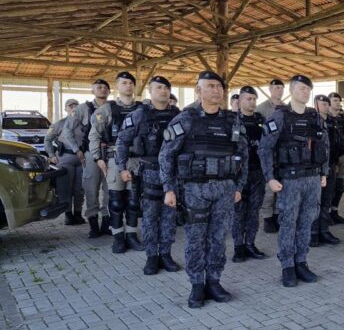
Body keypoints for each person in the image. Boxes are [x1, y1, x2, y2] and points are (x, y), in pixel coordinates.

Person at [160, 70, 248, 308]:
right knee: (196, 239)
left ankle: (214, 281)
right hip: (194, 189)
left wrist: (238, 186)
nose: (216, 90)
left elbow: (243, 155)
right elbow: (166, 155)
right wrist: (169, 188)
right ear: (198, 90)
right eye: (210, 86)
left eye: (219, 87)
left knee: (219, 237)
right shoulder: (185, 119)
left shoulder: (232, 120)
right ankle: (197, 284)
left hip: (225, 189)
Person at [258, 75, 328, 287]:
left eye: (308, 89)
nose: (305, 92)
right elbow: (265, 148)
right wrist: (270, 177)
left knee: (307, 222)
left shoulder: (315, 117)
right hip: (289, 180)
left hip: (312, 178)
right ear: (292, 90)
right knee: (288, 223)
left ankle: (301, 261)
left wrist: (323, 172)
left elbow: (324, 146)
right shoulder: (280, 117)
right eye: (300, 88)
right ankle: (287, 265)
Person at [115, 76, 181, 275]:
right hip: (150, 172)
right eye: (159, 87)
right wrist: (122, 167)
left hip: (173, 173)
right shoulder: (139, 115)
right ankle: (152, 256)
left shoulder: (178, 115)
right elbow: (122, 141)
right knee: (151, 217)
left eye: (166, 88)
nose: (163, 91)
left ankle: (166, 254)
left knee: (170, 217)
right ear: (151, 91)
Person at [88, 71, 143, 253]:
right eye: (124, 83)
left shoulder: (143, 109)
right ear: (117, 86)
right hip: (113, 159)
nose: (128, 86)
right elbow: (94, 135)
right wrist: (97, 157)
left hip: (137, 160)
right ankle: (118, 237)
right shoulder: (106, 110)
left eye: (130, 83)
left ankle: (132, 235)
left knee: (134, 201)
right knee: (116, 201)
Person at [64, 79, 112, 238]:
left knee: (110, 190)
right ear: (93, 91)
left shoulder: (113, 107)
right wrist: (76, 149)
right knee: (91, 189)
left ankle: (106, 224)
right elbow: (68, 130)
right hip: (91, 154)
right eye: (99, 87)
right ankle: (93, 225)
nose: (103, 89)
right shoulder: (83, 108)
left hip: (110, 153)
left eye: (106, 87)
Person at [231, 86, 269, 262]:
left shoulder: (261, 120)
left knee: (254, 211)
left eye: (254, 99)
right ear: (239, 101)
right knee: (238, 212)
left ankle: (250, 245)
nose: (252, 102)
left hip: (257, 172)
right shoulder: (231, 121)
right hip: (238, 175)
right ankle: (238, 247)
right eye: (248, 99)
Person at [46, 99, 85, 226]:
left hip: (81, 159)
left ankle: (78, 213)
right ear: (66, 109)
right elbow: (47, 140)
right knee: (65, 188)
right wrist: (51, 155)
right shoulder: (59, 124)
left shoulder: (83, 123)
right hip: (65, 158)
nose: (73, 107)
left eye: (76, 105)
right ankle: (68, 215)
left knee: (79, 189)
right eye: (70, 105)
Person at [310, 94, 341, 247]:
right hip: (315, 169)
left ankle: (324, 230)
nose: (325, 106)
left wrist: (335, 162)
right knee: (315, 201)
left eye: (326, 103)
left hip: (330, 166)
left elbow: (336, 144)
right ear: (315, 104)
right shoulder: (311, 120)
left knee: (327, 200)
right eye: (322, 103)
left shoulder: (332, 121)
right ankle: (313, 232)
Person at [257, 79, 285, 233]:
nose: (279, 90)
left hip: (283, 155)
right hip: (268, 154)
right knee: (269, 189)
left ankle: (276, 215)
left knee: (281, 187)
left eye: (281, 88)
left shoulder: (286, 109)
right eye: (276, 87)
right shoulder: (261, 109)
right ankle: (267, 217)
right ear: (270, 89)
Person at [327, 92, 344, 225]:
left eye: (338, 100)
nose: (337, 103)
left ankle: (334, 212)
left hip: (342, 156)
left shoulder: (343, 118)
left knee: (340, 187)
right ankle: (327, 214)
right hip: (330, 159)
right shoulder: (325, 117)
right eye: (334, 100)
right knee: (330, 188)